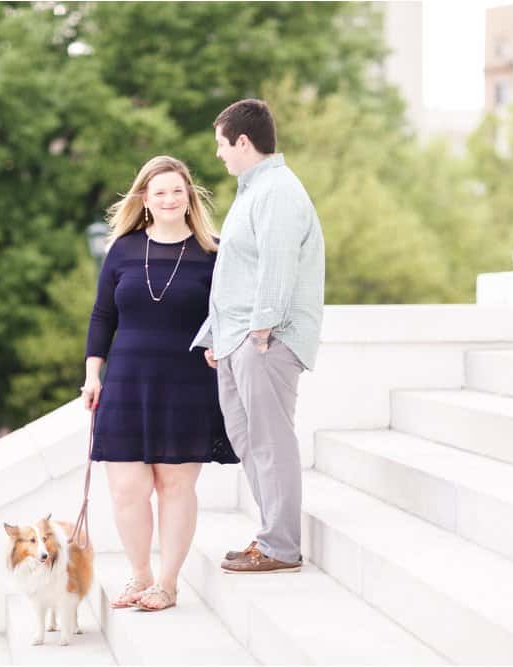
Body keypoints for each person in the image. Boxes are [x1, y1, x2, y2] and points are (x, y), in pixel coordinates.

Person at [83, 155, 238, 612]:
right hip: (126, 381)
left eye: (177, 190)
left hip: (187, 383)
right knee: (127, 488)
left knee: (175, 487)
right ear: (145, 201)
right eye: (159, 192)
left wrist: (221, 347)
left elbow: (229, 314)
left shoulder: (214, 252)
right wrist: (93, 374)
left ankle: (167, 583)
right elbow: (101, 316)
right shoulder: (123, 249)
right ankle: (140, 575)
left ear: (189, 196)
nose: (169, 199)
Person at [190, 99, 325, 574]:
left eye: (222, 146)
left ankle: (282, 547)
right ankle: (270, 537)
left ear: (243, 142)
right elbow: (236, 272)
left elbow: (278, 264)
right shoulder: (253, 192)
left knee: (270, 442)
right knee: (250, 441)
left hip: (266, 340)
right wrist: (215, 336)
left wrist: (260, 332)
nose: (220, 155)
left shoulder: (279, 192)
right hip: (237, 340)